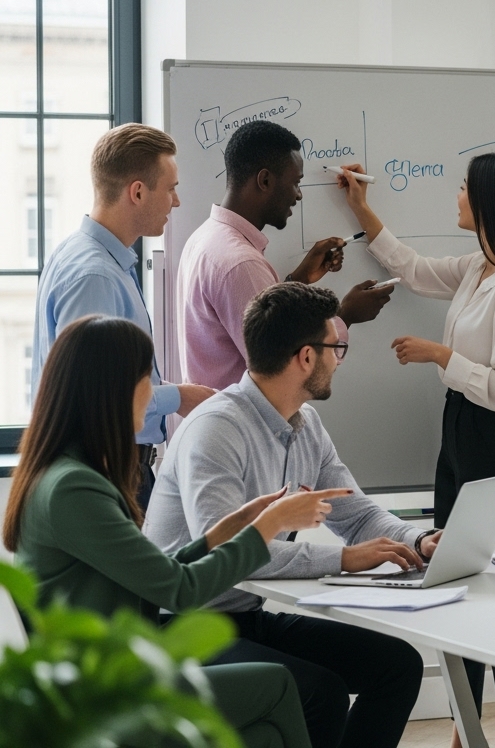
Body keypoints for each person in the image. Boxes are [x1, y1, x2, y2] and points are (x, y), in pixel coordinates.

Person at [2, 315, 345, 748]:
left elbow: (154, 574)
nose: (153, 394)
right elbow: (179, 590)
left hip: (107, 672)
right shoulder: (75, 489)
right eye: (146, 379)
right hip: (107, 690)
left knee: (264, 734)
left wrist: (225, 531)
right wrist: (270, 524)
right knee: (278, 684)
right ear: (112, 389)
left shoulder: (66, 474)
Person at [144, 283, 436, 748]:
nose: (339, 360)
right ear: (306, 357)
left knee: (397, 665)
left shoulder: (306, 424)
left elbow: (355, 513)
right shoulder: (216, 429)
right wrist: (343, 560)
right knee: (320, 693)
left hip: (244, 616)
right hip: (181, 626)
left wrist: (417, 540)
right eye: (336, 348)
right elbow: (225, 553)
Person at [335, 152, 495, 748]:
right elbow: (412, 269)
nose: (456, 197)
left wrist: (440, 355)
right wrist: (362, 210)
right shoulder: (480, 269)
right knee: (460, 583)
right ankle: (468, 723)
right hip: (460, 431)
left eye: (464, 188)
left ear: (489, 202)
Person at [33, 123, 217, 509]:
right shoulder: (95, 275)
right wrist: (177, 397)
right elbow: (94, 399)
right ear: (137, 192)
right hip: (107, 468)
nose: (176, 202)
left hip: (112, 467)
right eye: (171, 189)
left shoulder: (93, 257)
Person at [177, 119, 393, 391]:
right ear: (265, 180)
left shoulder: (206, 237)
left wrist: (297, 281)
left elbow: (263, 328)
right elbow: (286, 371)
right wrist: (345, 315)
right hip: (244, 418)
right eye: (295, 183)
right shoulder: (241, 264)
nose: (299, 195)